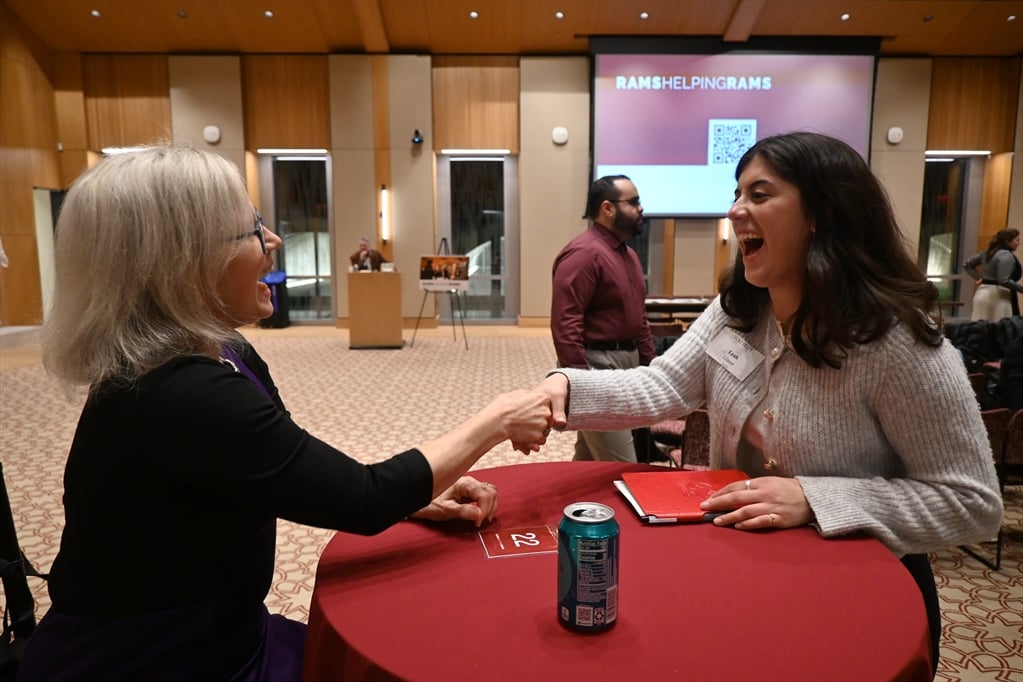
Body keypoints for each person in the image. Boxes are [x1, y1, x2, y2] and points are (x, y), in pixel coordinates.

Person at [17, 146, 553, 682]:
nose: (272, 242)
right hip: (154, 662)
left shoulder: (224, 351)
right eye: (251, 231)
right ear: (182, 262)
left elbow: (290, 468)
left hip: (224, 634)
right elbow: (363, 500)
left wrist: (416, 496)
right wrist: (500, 416)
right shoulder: (181, 394)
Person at [532, 132, 1002, 675]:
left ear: (820, 214)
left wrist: (817, 500)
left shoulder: (895, 341)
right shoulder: (738, 311)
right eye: (737, 195)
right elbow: (662, 386)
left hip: (856, 597)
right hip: (747, 573)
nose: (735, 211)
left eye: (759, 194)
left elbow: (972, 502)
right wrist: (566, 388)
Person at [549, 174, 656, 462]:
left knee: (588, 460)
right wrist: (580, 382)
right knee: (622, 467)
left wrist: (650, 365)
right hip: (597, 367)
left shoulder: (628, 255)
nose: (641, 208)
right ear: (607, 208)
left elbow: (639, 318)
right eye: (633, 202)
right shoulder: (584, 254)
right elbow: (565, 324)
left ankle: (569, 506)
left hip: (627, 365)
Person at [963, 227, 1022, 320]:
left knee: (980, 329)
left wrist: (979, 278)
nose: (1019, 243)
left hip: (982, 294)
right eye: (1017, 240)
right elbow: (1004, 280)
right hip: (998, 297)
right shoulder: (1005, 255)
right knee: (1001, 329)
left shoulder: (987, 253)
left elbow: (967, 265)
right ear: (1007, 241)